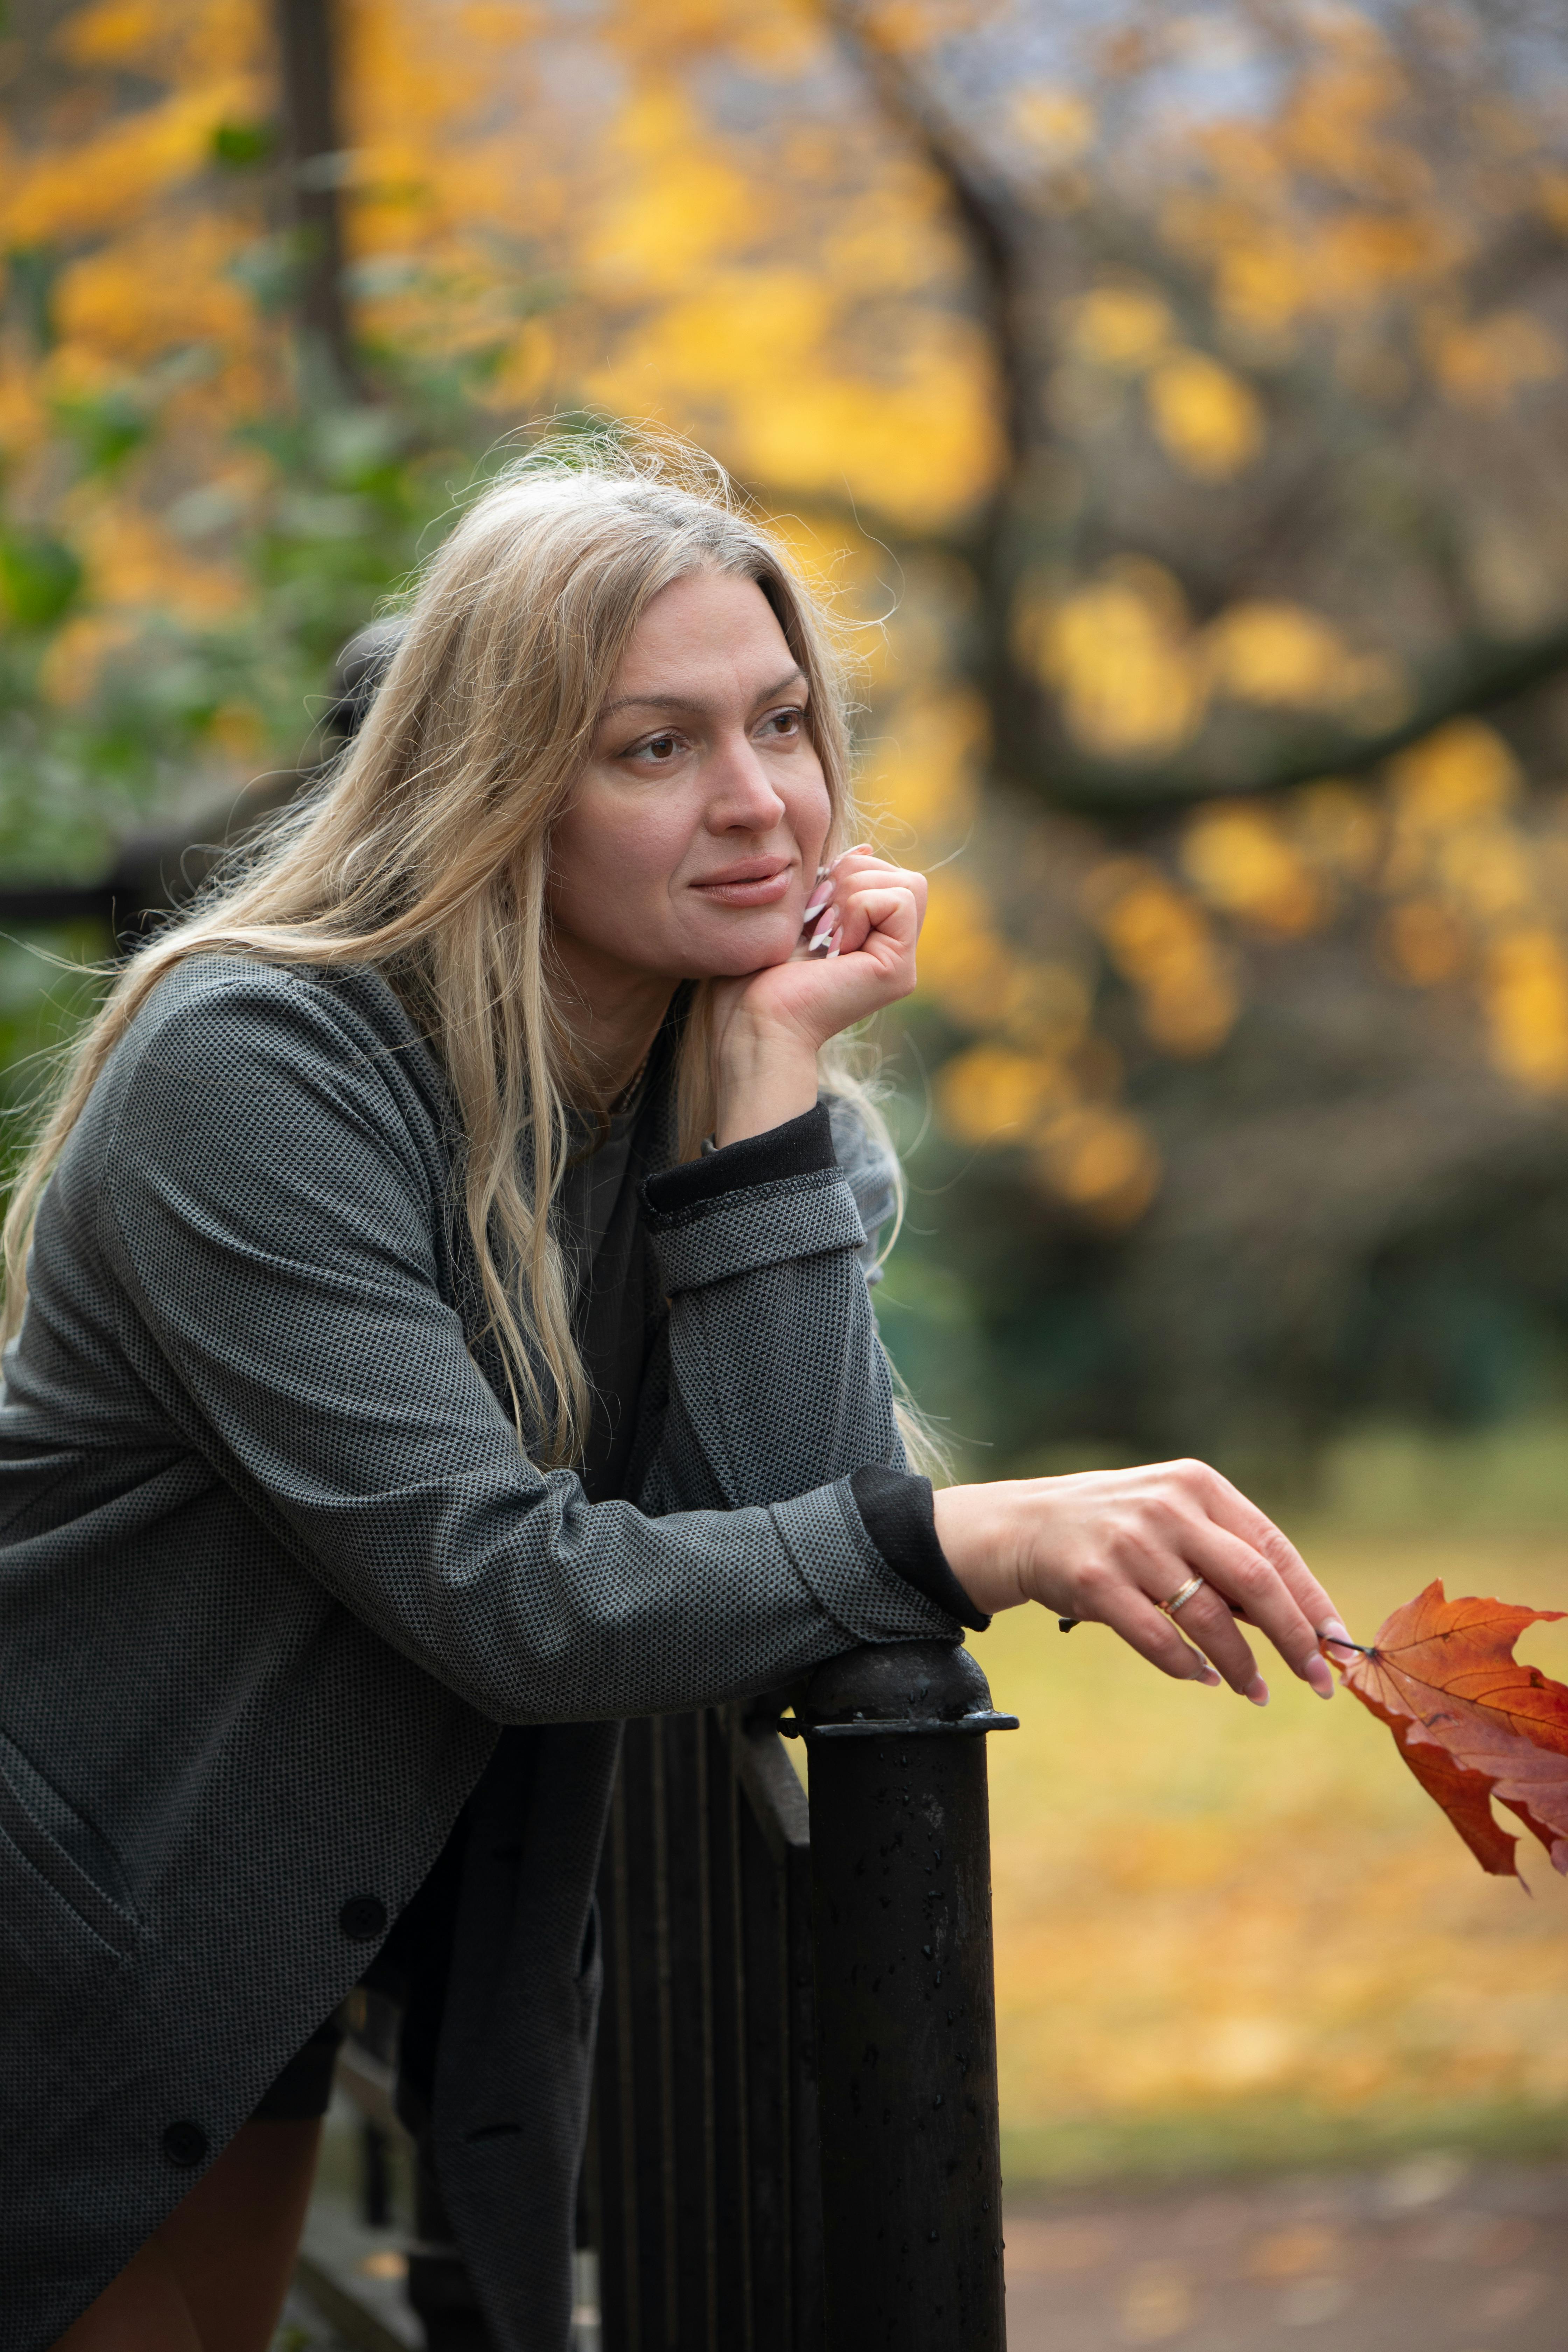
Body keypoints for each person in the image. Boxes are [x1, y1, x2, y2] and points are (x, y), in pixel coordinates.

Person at [0, 439, 1350, 2352]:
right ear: (495, 786)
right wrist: (983, 1535)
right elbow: (507, 1590)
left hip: (250, 1949)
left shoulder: (740, 1104)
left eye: (783, 724)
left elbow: (792, 1564)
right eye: (655, 748)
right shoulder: (257, 1070)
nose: (760, 804)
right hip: (67, 1917)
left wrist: (773, 1100)